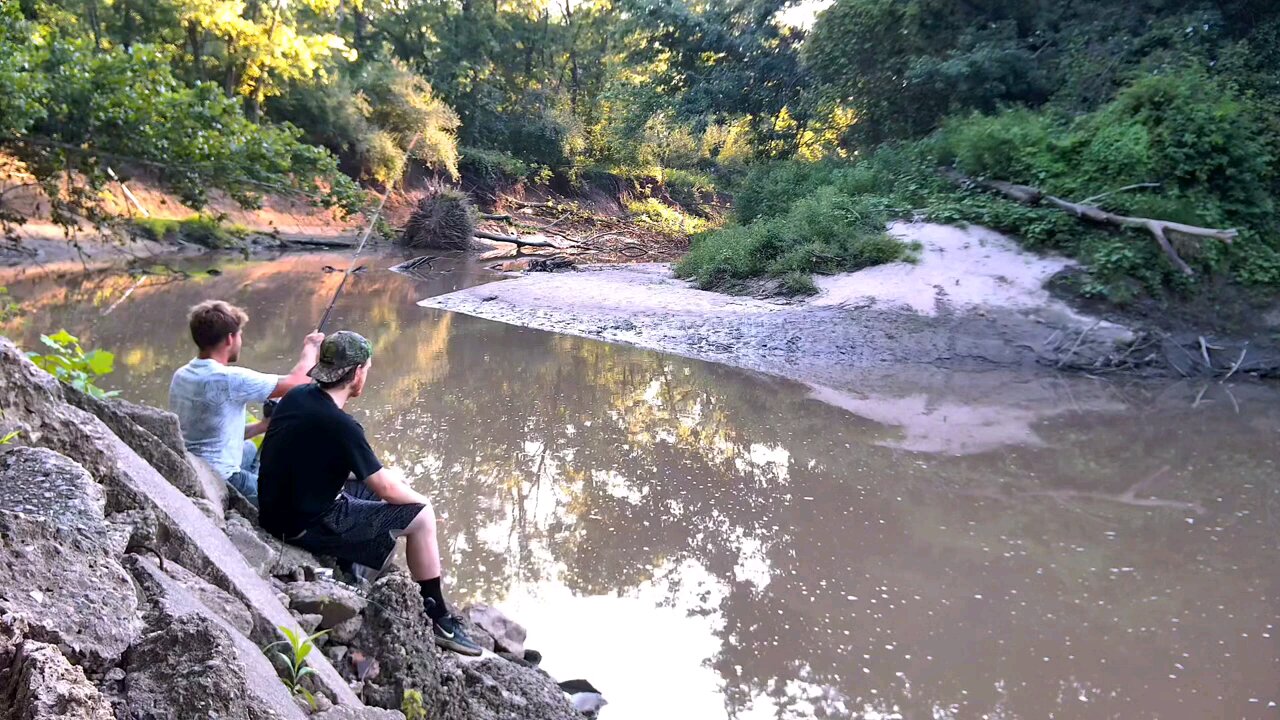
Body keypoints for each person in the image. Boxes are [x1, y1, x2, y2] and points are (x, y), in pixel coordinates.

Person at [257, 330, 482, 656]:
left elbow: (329, 461)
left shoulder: (298, 397)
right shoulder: (342, 425)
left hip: (274, 512)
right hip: (302, 524)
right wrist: (424, 503)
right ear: (357, 372)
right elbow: (385, 489)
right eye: (368, 369)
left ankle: (350, 567)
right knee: (421, 516)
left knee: (384, 480)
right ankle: (439, 619)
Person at [169, 300, 323, 506]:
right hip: (223, 478)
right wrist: (311, 347)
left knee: (253, 448)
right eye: (240, 334)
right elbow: (297, 381)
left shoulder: (182, 374)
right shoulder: (227, 378)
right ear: (230, 339)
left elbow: (212, 435)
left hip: (195, 465)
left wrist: (262, 426)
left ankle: (267, 477)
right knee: (293, 499)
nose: (241, 339)